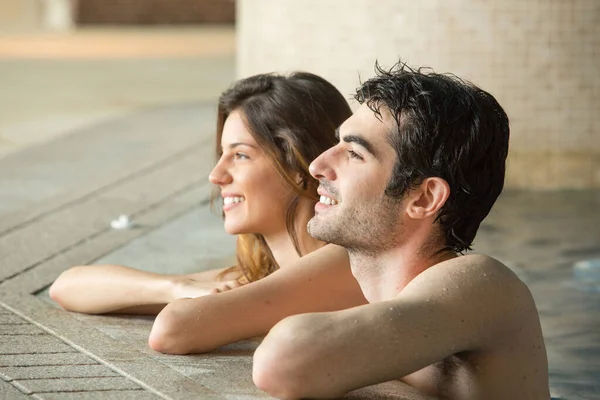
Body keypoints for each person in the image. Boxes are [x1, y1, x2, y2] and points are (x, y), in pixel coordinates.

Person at [252, 62, 550, 400]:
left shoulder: (481, 284)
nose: (318, 165)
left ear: (424, 198)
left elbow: (283, 360)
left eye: (353, 153)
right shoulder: (394, 296)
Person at [50, 72, 368, 352]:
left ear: (300, 165)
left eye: (240, 155)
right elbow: (67, 286)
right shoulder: (262, 275)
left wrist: (194, 298)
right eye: (221, 154)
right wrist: (177, 286)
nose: (216, 175)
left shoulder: (347, 262)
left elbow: (174, 330)